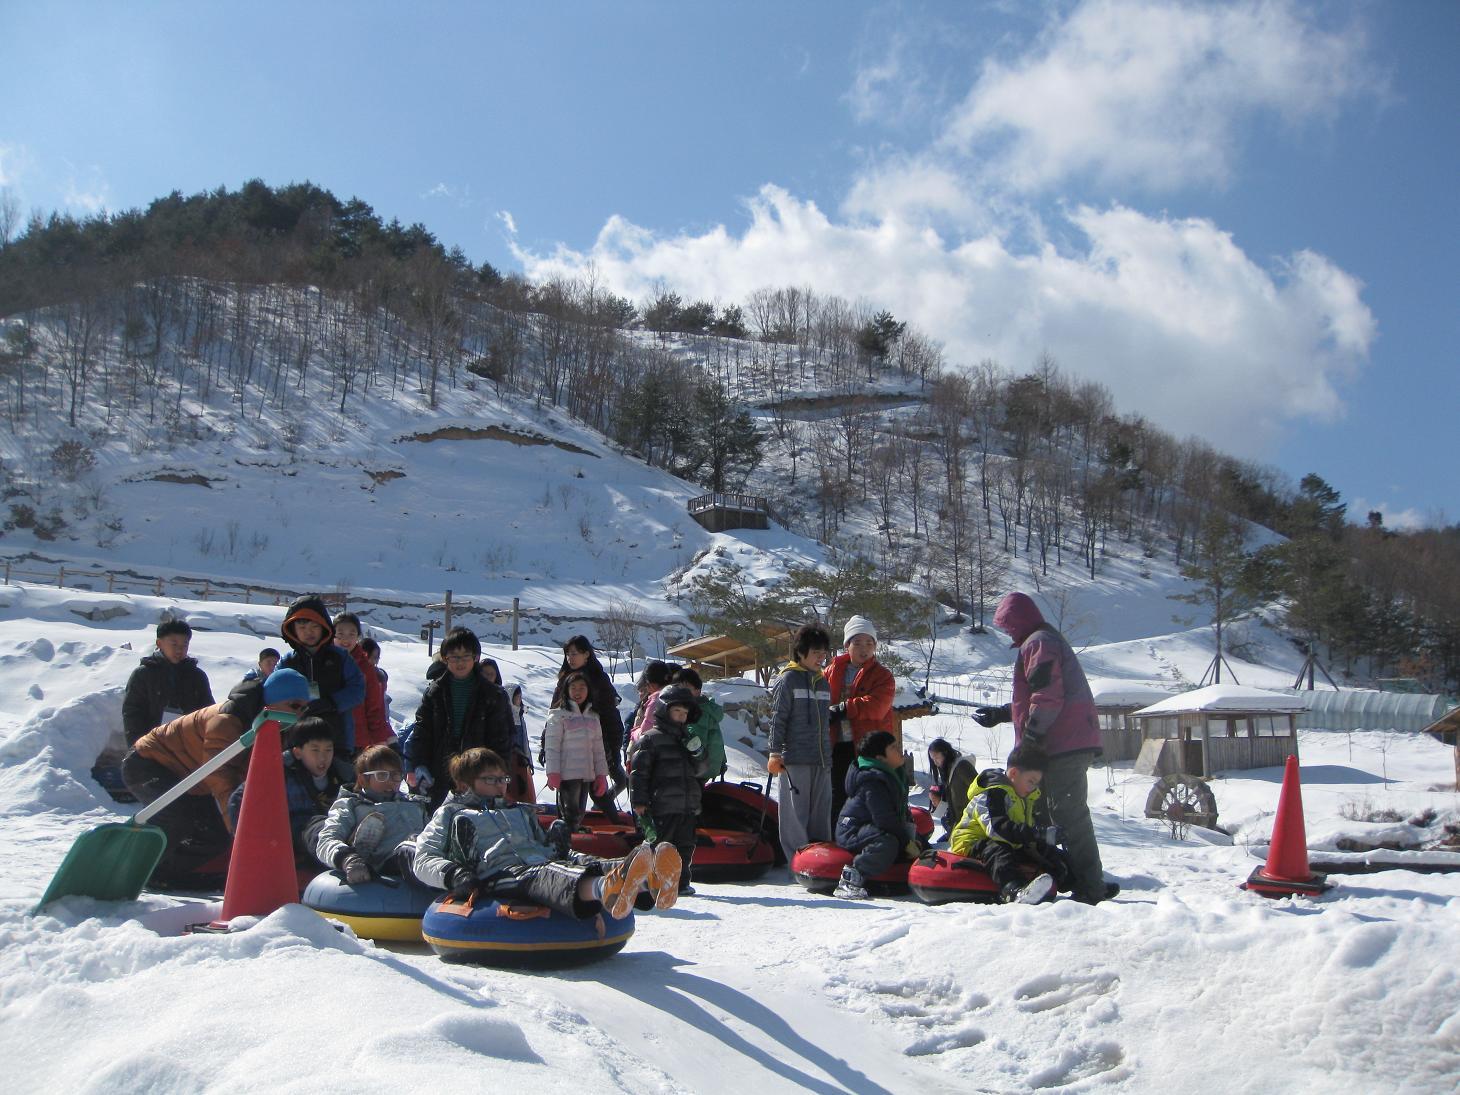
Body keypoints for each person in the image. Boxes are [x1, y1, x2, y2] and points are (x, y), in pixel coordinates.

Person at [412, 748, 682, 919]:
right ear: (463, 784)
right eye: (490, 780)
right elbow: (423, 858)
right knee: (548, 875)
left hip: (537, 861)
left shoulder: (517, 811)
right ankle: (604, 889)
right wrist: (453, 874)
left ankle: (648, 879)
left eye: (502, 779)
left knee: (581, 861)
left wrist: (558, 846)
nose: (500, 786)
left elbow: (542, 847)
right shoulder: (450, 814)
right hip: (497, 874)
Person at [973, 591, 1117, 904]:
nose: (1007, 631)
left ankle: (1091, 888)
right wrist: (1002, 714)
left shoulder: (1038, 642)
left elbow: (1048, 697)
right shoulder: (1042, 640)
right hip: (1065, 739)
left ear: (1019, 620)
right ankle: (1074, 878)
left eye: (1008, 624)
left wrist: (1033, 738)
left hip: (1061, 744)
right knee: (1047, 814)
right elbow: (1036, 698)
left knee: (1068, 814)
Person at [120, 669, 313, 885]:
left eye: (304, 707)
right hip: (148, 762)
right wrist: (237, 826)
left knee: (215, 834)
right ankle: (141, 868)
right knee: (178, 816)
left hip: (190, 777)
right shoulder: (228, 720)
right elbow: (219, 775)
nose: (299, 714)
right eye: (295, 705)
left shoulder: (274, 728)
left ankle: (167, 872)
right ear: (272, 701)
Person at [405, 627, 515, 808]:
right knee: (436, 823)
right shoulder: (435, 692)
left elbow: (503, 738)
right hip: (438, 772)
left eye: (465, 656)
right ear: (445, 658)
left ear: (476, 657)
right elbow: (422, 731)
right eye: (454, 657)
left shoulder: (493, 694)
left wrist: (498, 775)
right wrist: (418, 763)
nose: (460, 662)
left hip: (479, 773)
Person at [950, 742, 1070, 905]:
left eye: (1036, 783)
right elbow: (998, 829)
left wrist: (1044, 837)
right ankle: (1013, 890)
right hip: (972, 842)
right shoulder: (993, 792)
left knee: (1046, 850)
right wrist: (1037, 833)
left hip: (1008, 841)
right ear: (1013, 773)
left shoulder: (1024, 796)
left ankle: (1078, 883)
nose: (1034, 787)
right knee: (998, 849)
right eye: (1031, 781)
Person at [227, 715, 355, 864]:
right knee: (317, 828)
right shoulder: (281, 774)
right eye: (315, 750)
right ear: (298, 752)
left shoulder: (342, 775)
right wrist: (250, 842)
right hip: (294, 834)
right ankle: (343, 857)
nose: (323, 757)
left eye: (328, 750)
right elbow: (239, 798)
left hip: (334, 828)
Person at [629, 684, 708, 896]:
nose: (681, 717)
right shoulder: (651, 739)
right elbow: (639, 773)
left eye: (685, 713)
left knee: (685, 846)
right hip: (662, 805)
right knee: (661, 846)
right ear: (665, 710)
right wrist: (639, 801)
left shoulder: (688, 740)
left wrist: (698, 754)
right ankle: (654, 882)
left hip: (687, 804)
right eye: (677, 711)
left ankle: (680, 882)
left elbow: (701, 771)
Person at [766, 624, 834, 865]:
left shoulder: (823, 682)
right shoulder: (788, 680)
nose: (821, 658)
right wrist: (774, 753)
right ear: (802, 652)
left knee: (821, 814)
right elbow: (778, 718)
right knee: (795, 815)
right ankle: (798, 861)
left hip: (822, 758)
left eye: (824, 653)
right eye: (816, 652)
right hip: (794, 758)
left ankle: (822, 861)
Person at [314, 745, 430, 884]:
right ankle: (363, 854)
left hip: (421, 855)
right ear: (363, 780)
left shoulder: (414, 805)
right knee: (409, 851)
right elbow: (326, 840)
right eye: (382, 775)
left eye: (395, 775)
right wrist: (348, 859)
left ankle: (455, 879)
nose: (390, 781)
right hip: (390, 864)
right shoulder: (351, 805)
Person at [833, 731, 918, 900]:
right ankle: (851, 878)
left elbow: (898, 813)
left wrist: (913, 839)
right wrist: (905, 842)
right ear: (880, 758)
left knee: (915, 838)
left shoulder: (894, 775)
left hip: (872, 828)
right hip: (853, 830)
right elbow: (884, 818)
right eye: (893, 748)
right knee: (888, 842)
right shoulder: (872, 781)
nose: (899, 750)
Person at [826, 615, 897, 817]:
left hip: (868, 748)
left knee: (867, 797)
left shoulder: (883, 675)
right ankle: (836, 842)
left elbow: (878, 706)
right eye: (857, 642)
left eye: (869, 642)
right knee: (836, 797)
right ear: (847, 645)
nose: (863, 648)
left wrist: (844, 708)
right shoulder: (830, 671)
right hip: (837, 744)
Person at [277, 595, 365, 756]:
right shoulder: (287, 662)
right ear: (293, 630)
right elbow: (273, 693)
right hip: (296, 741)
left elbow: (358, 688)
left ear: (324, 626)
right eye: (302, 628)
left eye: (314, 627)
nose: (308, 632)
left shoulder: (340, 658)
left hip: (337, 740)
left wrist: (332, 702)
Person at [549, 636, 627, 818]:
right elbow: (554, 710)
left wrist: (612, 748)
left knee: (597, 788)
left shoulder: (598, 679)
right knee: (569, 791)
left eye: (574, 653)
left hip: (596, 742)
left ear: (586, 654)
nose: (570, 658)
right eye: (567, 653)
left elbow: (609, 715)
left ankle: (614, 824)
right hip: (568, 745)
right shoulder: (565, 679)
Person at [121, 619, 215, 746]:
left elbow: (208, 712)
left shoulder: (197, 676)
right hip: (151, 746)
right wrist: (138, 747)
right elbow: (132, 713)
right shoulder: (143, 675)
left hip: (188, 748)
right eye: (174, 644)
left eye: (184, 645)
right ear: (159, 643)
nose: (179, 650)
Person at [543, 671, 609, 832]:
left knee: (579, 812)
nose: (578, 692)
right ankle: (565, 839)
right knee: (569, 812)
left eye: (582, 688)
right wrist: (553, 772)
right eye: (573, 688)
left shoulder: (593, 717)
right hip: (567, 774)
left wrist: (601, 775)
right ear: (566, 690)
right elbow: (552, 746)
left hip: (586, 774)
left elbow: (598, 749)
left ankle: (573, 837)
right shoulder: (559, 715)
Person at [333, 612, 392, 752]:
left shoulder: (365, 668)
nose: (345, 639)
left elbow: (374, 708)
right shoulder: (323, 661)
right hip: (327, 738)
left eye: (351, 634)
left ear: (358, 637)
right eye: (340, 634)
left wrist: (379, 740)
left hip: (357, 740)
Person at [480, 657, 533, 803]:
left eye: (491, 674)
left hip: (502, 757)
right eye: (484, 673)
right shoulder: (473, 695)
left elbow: (514, 734)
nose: (487, 677)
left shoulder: (500, 697)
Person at [672, 667, 726, 783]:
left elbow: (695, 742)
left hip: (700, 768)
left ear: (698, 691)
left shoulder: (698, 712)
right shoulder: (703, 707)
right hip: (707, 765)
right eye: (678, 688)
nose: (681, 693)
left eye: (686, 689)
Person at [926, 738, 977, 842]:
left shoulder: (962, 766)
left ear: (945, 753)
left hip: (971, 825)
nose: (935, 762)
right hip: (959, 825)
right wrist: (939, 802)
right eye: (933, 759)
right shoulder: (948, 771)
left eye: (936, 757)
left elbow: (979, 791)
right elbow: (953, 805)